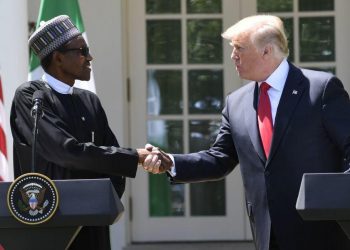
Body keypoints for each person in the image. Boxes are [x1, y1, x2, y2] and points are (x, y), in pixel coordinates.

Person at [143, 15, 350, 250]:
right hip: (266, 231)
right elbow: (219, 158)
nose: (233, 56)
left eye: (239, 48)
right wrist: (170, 162)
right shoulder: (236, 102)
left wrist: (340, 197)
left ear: (266, 51)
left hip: (320, 228)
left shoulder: (320, 89)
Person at [10, 15, 166, 250]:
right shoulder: (31, 96)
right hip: (48, 222)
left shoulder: (89, 101)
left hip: (92, 224)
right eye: (82, 50)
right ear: (58, 57)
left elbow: (112, 164)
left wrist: (100, 205)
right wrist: (136, 157)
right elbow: (64, 151)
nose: (89, 57)